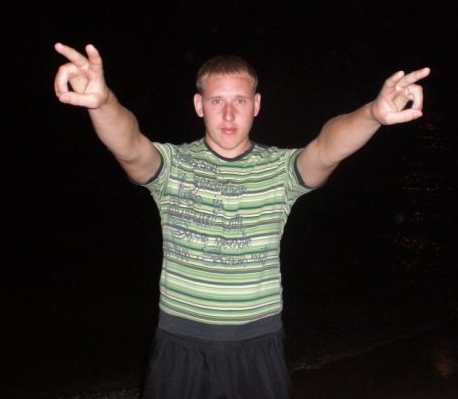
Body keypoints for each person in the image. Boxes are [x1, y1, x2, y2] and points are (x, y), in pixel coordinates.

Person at [54, 42, 430, 399]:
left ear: (257, 105)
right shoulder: (172, 167)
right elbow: (130, 145)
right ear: (199, 105)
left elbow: (327, 147)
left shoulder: (280, 171)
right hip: (180, 345)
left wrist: (372, 114)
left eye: (240, 100)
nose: (229, 114)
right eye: (217, 101)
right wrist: (103, 103)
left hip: (258, 345)